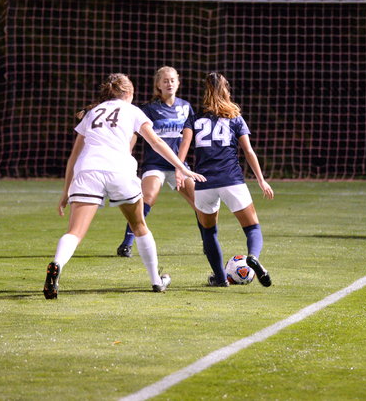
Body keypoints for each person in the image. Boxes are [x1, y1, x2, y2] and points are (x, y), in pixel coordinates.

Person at [43, 73, 205, 299]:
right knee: (139, 226)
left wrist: (65, 192)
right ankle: (156, 281)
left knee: (75, 232)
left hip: (87, 170)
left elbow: (73, 157)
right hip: (119, 169)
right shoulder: (133, 110)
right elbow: (156, 142)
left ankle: (57, 264)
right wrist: (182, 167)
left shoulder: (92, 112)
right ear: (129, 92)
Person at [178, 72, 274, 287]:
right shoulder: (235, 117)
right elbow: (248, 151)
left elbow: (184, 145)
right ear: (226, 91)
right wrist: (261, 180)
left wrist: (180, 170)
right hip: (231, 180)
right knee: (252, 228)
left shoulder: (194, 118)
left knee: (209, 232)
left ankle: (220, 279)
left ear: (205, 91)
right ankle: (253, 257)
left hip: (203, 183)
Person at [115, 66, 199, 258]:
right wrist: (125, 154)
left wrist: (180, 166)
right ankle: (127, 244)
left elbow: (188, 138)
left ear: (178, 82)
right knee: (148, 197)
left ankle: (208, 242)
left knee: (200, 202)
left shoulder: (186, 107)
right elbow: (135, 134)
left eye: (172, 80)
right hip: (155, 164)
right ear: (158, 84)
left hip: (179, 164)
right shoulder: (149, 109)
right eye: (165, 80)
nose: (169, 83)